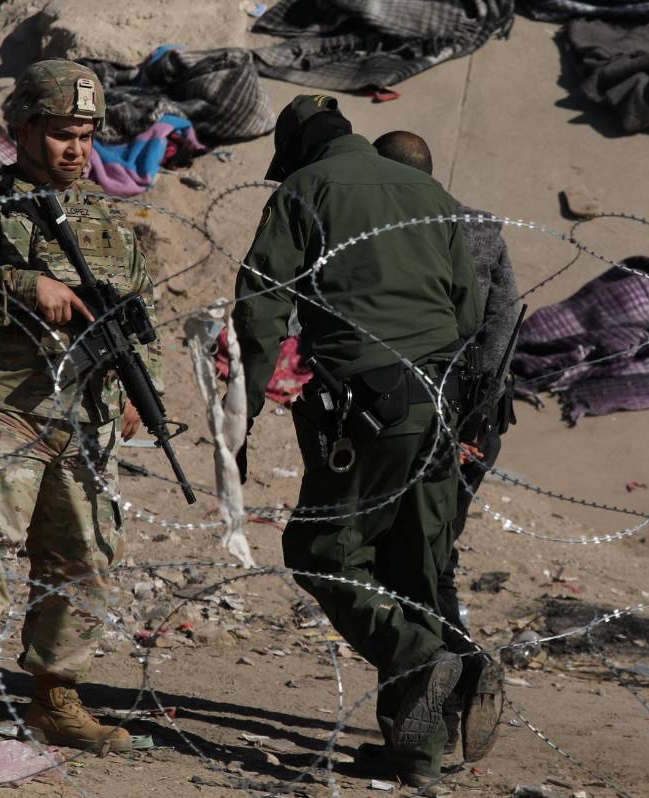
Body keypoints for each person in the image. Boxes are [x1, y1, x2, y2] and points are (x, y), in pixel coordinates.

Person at [0, 59, 160, 754]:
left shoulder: (111, 217)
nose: (76, 149)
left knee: (83, 555)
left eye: (85, 135)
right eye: (60, 135)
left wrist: (144, 389)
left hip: (86, 410)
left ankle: (57, 695)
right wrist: (21, 286)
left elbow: (144, 313)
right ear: (23, 131)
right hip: (3, 401)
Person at [233, 94, 484, 789]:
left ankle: (417, 653)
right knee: (413, 565)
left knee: (321, 550)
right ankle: (415, 750)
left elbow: (261, 297)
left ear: (297, 150)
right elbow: (468, 307)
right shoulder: (425, 189)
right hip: (440, 403)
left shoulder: (307, 187)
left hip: (369, 404)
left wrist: (246, 398)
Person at [372, 130, 518, 762]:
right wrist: (478, 419)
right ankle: (440, 696)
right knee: (432, 560)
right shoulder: (481, 227)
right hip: (476, 422)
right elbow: (503, 321)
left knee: (394, 564)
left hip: (413, 418)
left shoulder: (389, 228)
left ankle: (440, 689)